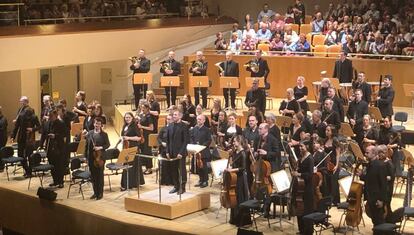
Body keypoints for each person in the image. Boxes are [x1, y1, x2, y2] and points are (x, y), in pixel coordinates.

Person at [360, 145, 387, 228]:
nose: (365, 154)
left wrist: (381, 200)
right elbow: (369, 179)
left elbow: (384, 185)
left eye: (367, 153)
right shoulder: (369, 165)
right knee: (374, 220)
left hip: (377, 199)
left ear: (374, 153)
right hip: (370, 197)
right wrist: (361, 175)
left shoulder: (380, 166)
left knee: (379, 221)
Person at [228, 135, 252, 226]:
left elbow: (243, 168)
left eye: (235, 141)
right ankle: (234, 218)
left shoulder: (243, 153)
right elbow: (232, 164)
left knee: (240, 198)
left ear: (240, 142)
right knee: (235, 198)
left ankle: (242, 220)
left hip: (241, 179)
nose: (233, 143)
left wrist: (232, 170)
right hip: (234, 177)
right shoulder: (234, 152)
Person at [11, 104, 40, 178]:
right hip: (22, 138)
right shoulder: (21, 116)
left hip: (30, 138)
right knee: (20, 156)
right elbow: (16, 127)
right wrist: (12, 136)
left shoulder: (34, 117)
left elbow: (40, 126)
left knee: (30, 155)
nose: (28, 117)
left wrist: (32, 129)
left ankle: (29, 172)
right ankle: (27, 170)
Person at [84, 118, 110, 200]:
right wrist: (86, 156)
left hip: (100, 157)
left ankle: (100, 193)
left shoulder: (104, 134)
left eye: (98, 124)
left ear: (101, 125)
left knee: (99, 176)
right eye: (95, 123)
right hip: (91, 157)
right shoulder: (90, 133)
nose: (96, 125)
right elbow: (87, 145)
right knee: (93, 176)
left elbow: (108, 145)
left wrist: (100, 147)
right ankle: (95, 193)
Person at [292, 140, 314, 235]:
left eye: (302, 147)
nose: (300, 148)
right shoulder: (301, 157)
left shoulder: (310, 158)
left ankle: (307, 231)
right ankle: (301, 230)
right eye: (300, 146)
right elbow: (299, 169)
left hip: (307, 188)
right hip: (301, 187)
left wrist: (299, 173)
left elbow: (310, 174)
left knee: (307, 210)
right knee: (300, 209)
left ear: (307, 147)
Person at [120, 112, 145, 190]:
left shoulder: (134, 126)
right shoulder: (125, 126)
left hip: (133, 147)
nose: (127, 119)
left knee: (131, 166)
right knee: (126, 165)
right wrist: (122, 138)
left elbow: (139, 138)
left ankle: (131, 184)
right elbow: (123, 135)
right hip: (126, 147)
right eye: (126, 117)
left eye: (129, 117)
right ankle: (126, 184)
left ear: (132, 118)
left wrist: (128, 138)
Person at [166, 110, 189, 194]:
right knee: (173, 170)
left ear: (180, 116)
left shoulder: (184, 126)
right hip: (171, 152)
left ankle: (182, 187)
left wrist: (181, 153)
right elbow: (168, 140)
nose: (174, 116)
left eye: (175, 115)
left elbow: (186, 141)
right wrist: (167, 151)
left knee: (182, 170)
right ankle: (176, 186)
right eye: (173, 115)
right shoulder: (170, 126)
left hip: (180, 153)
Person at [46, 110, 67, 188]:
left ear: (55, 115)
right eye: (49, 116)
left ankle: (61, 182)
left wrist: (55, 136)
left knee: (59, 166)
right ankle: (55, 181)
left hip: (59, 148)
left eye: (51, 116)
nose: (49, 117)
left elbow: (64, 135)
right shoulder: (49, 123)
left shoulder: (61, 123)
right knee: (52, 165)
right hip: (50, 147)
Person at [190, 115, 212, 188]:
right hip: (196, 150)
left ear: (203, 121)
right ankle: (200, 180)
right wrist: (194, 144)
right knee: (198, 166)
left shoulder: (207, 130)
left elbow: (209, 140)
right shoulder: (194, 129)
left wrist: (202, 146)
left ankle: (205, 181)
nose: (198, 120)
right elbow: (191, 138)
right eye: (197, 119)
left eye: (200, 119)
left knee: (204, 167)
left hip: (204, 151)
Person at [324, 125, 341, 205]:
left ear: (332, 132)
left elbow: (338, 154)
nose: (326, 131)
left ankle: (335, 200)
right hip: (327, 163)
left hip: (333, 163)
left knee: (333, 182)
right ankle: (328, 199)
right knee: (328, 181)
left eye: (328, 130)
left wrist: (337, 166)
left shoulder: (335, 140)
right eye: (326, 130)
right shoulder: (326, 140)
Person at [377, 144, 395, 222]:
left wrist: (382, 177)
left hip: (387, 189)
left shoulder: (389, 163)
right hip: (382, 188)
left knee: (386, 207)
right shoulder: (381, 162)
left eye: (380, 153)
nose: (378, 155)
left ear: (385, 153)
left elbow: (391, 177)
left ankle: (389, 222)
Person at [138, 103, 154, 175]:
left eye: (143, 108)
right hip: (142, 136)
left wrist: (142, 127)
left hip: (147, 136)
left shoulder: (149, 116)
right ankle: (145, 166)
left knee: (147, 151)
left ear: (147, 108)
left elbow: (151, 128)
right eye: (141, 108)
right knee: (143, 151)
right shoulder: (141, 115)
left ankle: (149, 168)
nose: (142, 109)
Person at [158, 114, 173, 186]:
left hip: (172, 149)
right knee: (164, 165)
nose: (168, 120)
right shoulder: (163, 128)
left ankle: (172, 181)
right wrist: (162, 143)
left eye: (170, 119)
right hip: (164, 149)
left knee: (171, 165)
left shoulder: (174, 128)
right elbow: (159, 138)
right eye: (167, 119)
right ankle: (164, 181)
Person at [0, 107, 8, 171]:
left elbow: (2, 129)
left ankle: (1, 166)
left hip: (2, 138)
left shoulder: (3, 119)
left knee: (1, 151)